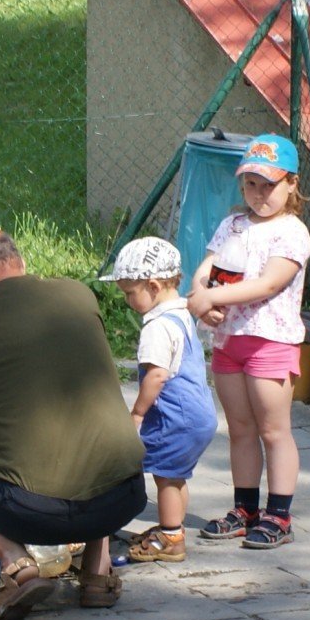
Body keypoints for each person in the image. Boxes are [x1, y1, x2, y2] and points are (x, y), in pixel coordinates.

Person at [0, 227, 148, 620]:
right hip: (126, 495)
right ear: (21, 262)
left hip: (35, 514)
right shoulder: (77, 296)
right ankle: (97, 576)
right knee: (91, 445)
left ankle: (15, 565)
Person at [187, 134, 310, 550]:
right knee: (240, 428)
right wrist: (201, 297)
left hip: (270, 341)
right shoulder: (233, 224)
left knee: (274, 430)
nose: (259, 194)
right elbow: (206, 269)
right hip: (229, 341)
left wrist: (211, 297)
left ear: (292, 184)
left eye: (269, 184)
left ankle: (279, 515)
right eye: (251, 184)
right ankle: (245, 509)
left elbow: (268, 283)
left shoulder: (292, 232)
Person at [102, 236, 219, 564]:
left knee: (165, 476)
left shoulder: (156, 327)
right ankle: (173, 528)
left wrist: (138, 413)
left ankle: (170, 539)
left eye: (129, 293)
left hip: (176, 417)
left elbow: (156, 375)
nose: (127, 300)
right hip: (200, 415)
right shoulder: (182, 313)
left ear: (152, 286)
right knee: (176, 475)